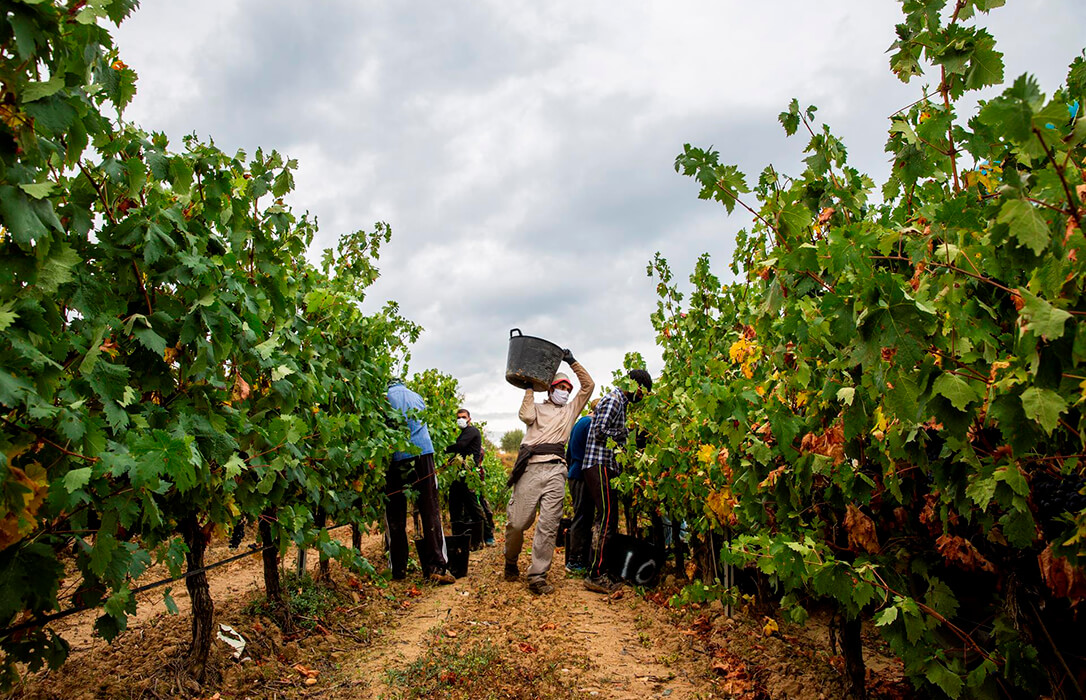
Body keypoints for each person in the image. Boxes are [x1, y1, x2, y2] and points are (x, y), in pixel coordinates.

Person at [505, 349, 594, 595]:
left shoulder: (570, 411)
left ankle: (537, 575)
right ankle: (510, 560)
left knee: (549, 524)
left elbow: (589, 386)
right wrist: (530, 388)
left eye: (567, 388)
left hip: (556, 470)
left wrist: (572, 361)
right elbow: (525, 415)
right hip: (531, 468)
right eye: (560, 387)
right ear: (550, 388)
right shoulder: (537, 408)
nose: (564, 391)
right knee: (518, 522)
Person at [583, 369, 652, 594]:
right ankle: (595, 575)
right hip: (599, 465)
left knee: (606, 518)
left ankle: (600, 569)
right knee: (608, 519)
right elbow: (600, 431)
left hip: (605, 465)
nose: (641, 398)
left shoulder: (621, 404)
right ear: (635, 385)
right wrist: (628, 434)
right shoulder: (614, 400)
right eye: (642, 392)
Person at [384, 380, 455, 584]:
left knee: (395, 513)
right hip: (423, 453)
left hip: (396, 456)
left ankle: (398, 570)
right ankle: (437, 567)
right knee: (430, 509)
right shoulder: (417, 397)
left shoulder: (384, 398)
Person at [444, 408, 495, 548]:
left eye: (463, 417)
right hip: (458, 474)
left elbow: (460, 446)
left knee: (474, 507)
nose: (461, 419)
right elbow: (460, 452)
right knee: (454, 506)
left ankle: (488, 536)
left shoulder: (472, 431)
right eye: (458, 417)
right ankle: (459, 538)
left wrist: (445, 449)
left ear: (469, 419)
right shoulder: (462, 434)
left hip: (469, 475)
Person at [564, 400, 598, 573]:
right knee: (583, 516)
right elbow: (591, 454)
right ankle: (574, 561)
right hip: (583, 475)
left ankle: (577, 559)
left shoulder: (580, 423)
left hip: (575, 473)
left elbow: (568, 453)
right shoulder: (590, 424)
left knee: (581, 515)